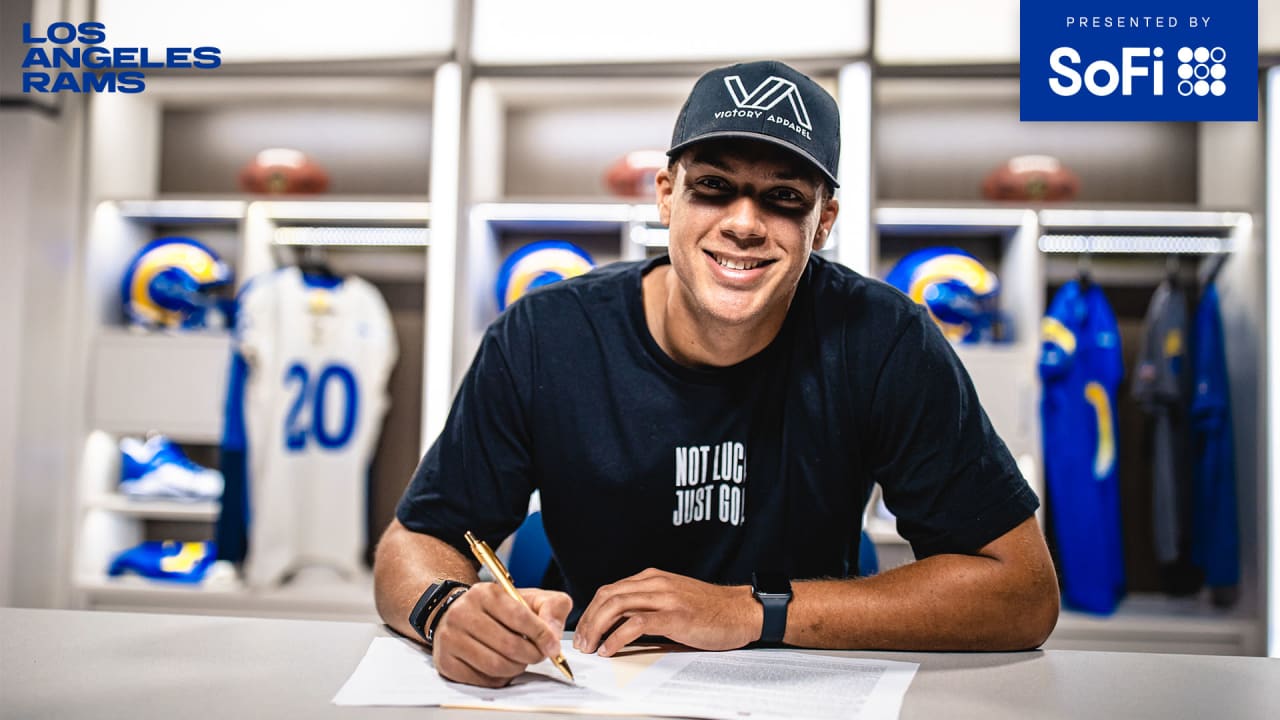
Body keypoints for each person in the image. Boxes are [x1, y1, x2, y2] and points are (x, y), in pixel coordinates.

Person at [374, 60, 1060, 688]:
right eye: (713, 187)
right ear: (667, 196)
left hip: (804, 685)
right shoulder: (543, 336)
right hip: (594, 686)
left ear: (824, 223)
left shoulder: (885, 341)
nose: (743, 223)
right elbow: (415, 542)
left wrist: (752, 611)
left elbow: (1022, 591)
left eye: (784, 198)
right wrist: (447, 609)